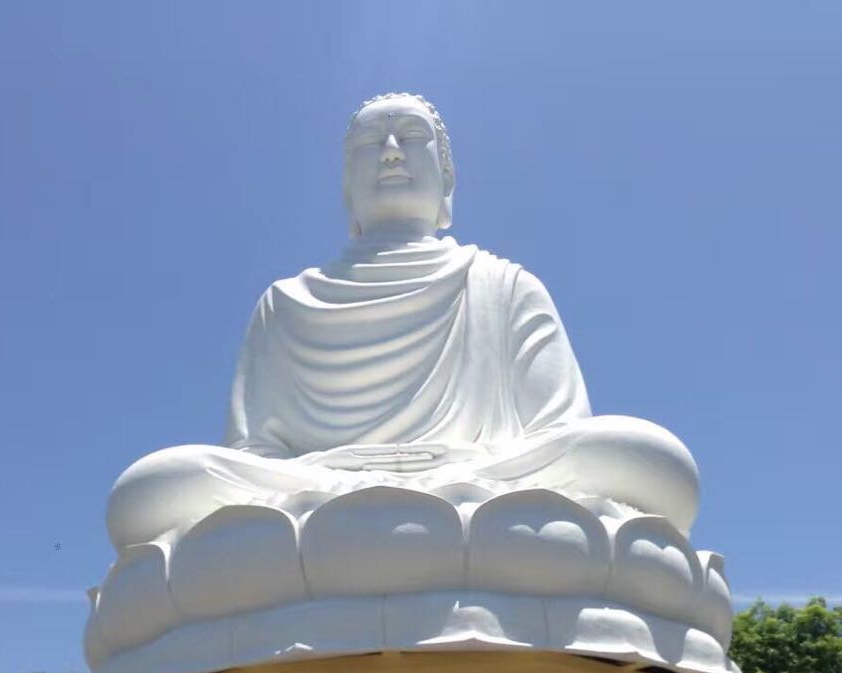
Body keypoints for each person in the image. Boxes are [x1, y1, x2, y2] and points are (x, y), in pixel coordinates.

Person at [105, 91, 699, 552]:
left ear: (446, 177)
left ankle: (381, 530)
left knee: (646, 457)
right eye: (370, 142)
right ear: (346, 182)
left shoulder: (503, 285)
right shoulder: (284, 302)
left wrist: (466, 470)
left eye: (411, 138)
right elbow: (256, 453)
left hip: (483, 485)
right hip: (324, 496)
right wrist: (326, 476)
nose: (390, 149)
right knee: (151, 490)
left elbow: (558, 433)